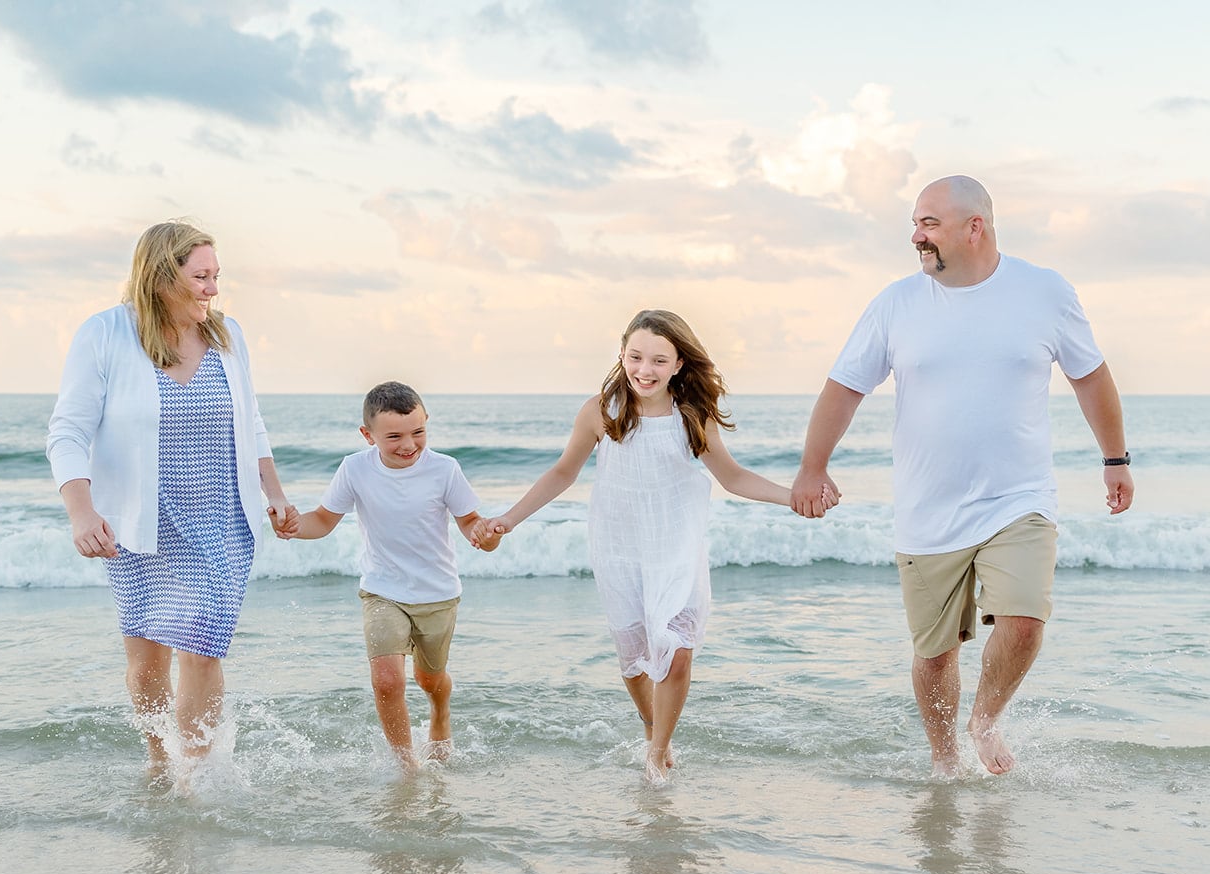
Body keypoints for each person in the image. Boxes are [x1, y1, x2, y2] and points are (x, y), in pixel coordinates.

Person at [791, 175, 1134, 778]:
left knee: (1025, 620)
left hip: (1018, 498)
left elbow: (1090, 377)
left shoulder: (1044, 291)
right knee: (934, 653)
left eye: (929, 224)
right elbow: (844, 389)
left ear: (974, 226)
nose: (916, 237)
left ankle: (985, 720)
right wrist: (812, 468)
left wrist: (1115, 460)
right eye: (916, 224)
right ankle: (944, 760)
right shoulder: (896, 303)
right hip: (928, 508)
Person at [475, 310, 807, 783]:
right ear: (622, 355)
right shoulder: (601, 411)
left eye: (658, 360)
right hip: (619, 546)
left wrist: (790, 496)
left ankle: (657, 751)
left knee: (675, 649)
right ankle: (654, 726)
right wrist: (508, 519)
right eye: (635, 357)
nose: (644, 370)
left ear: (678, 365)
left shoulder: (692, 414)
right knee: (634, 661)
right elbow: (562, 473)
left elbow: (732, 477)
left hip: (675, 545)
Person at [47, 221, 298, 785]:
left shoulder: (228, 334)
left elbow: (250, 421)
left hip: (221, 520)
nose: (212, 289)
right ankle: (160, 762)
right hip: (140, 522)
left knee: (203, 646)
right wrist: (81, 512)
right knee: (147, 658)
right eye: (200, 277)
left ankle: (196, 778)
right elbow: (67, 431)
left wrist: (274, 493)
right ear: (162, 278)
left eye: (215, 276)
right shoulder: (106, 333)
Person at [288, 382, 501, 769]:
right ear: (368, 435)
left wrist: (486, 537)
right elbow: (321, 520)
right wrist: (292, 526)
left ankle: (440, 713)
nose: (409, 445)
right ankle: (408, 769)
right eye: (394, 437)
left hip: (436, 593)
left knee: (430, 679)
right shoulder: (355, 468)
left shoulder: (445, 469)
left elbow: (471, 524)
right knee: (388, 681)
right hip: (381, 590)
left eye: (418, 432)